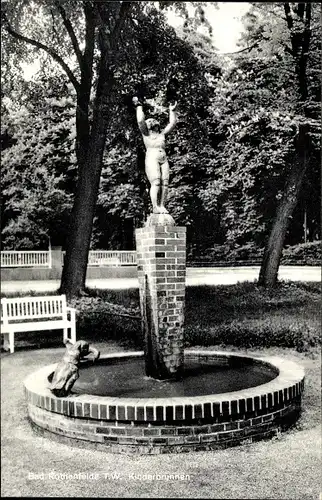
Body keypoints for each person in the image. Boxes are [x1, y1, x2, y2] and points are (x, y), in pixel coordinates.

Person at [133, 97, 177, 214]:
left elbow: (172, 123)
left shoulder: (162, 134)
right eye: (150, 121)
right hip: (152, 157)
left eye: (153, 121)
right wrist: (139, 106)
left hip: (164, 158)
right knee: (156, 181)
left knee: (165, 182)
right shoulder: (146, 134)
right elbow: (140, 121)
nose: (152, 122)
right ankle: (155, 206)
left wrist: (172, 111)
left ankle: (162, 205)